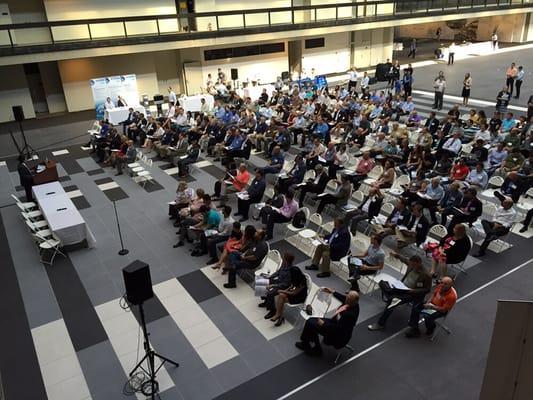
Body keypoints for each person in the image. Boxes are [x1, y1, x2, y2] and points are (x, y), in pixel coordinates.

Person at [367, 253, 431, 331]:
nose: (412, 267)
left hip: (411, 293)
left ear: (419, 263)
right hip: (400, 287)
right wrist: (396, 255)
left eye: (414, 266)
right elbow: (404, 259)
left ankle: (380, 324)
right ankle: (391, 297)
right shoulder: (411, 264)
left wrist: (413, 290)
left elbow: (427, 289)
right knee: (382, 283)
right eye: (411, 265)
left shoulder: (426, 275)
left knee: (392, 302)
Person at [295, 289, 359, 356]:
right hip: (334, 323)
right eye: (347, 296)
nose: (346, 299)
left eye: (348, 298)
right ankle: (306, 342)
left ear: (352, 301)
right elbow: (343, 298)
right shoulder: (354, 304)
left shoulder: (349, 315)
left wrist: (323, 324)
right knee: (310, 321)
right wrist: (333, 291)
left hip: (337, 334)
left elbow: (338, 329)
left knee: (311, 324)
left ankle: (317, 350)